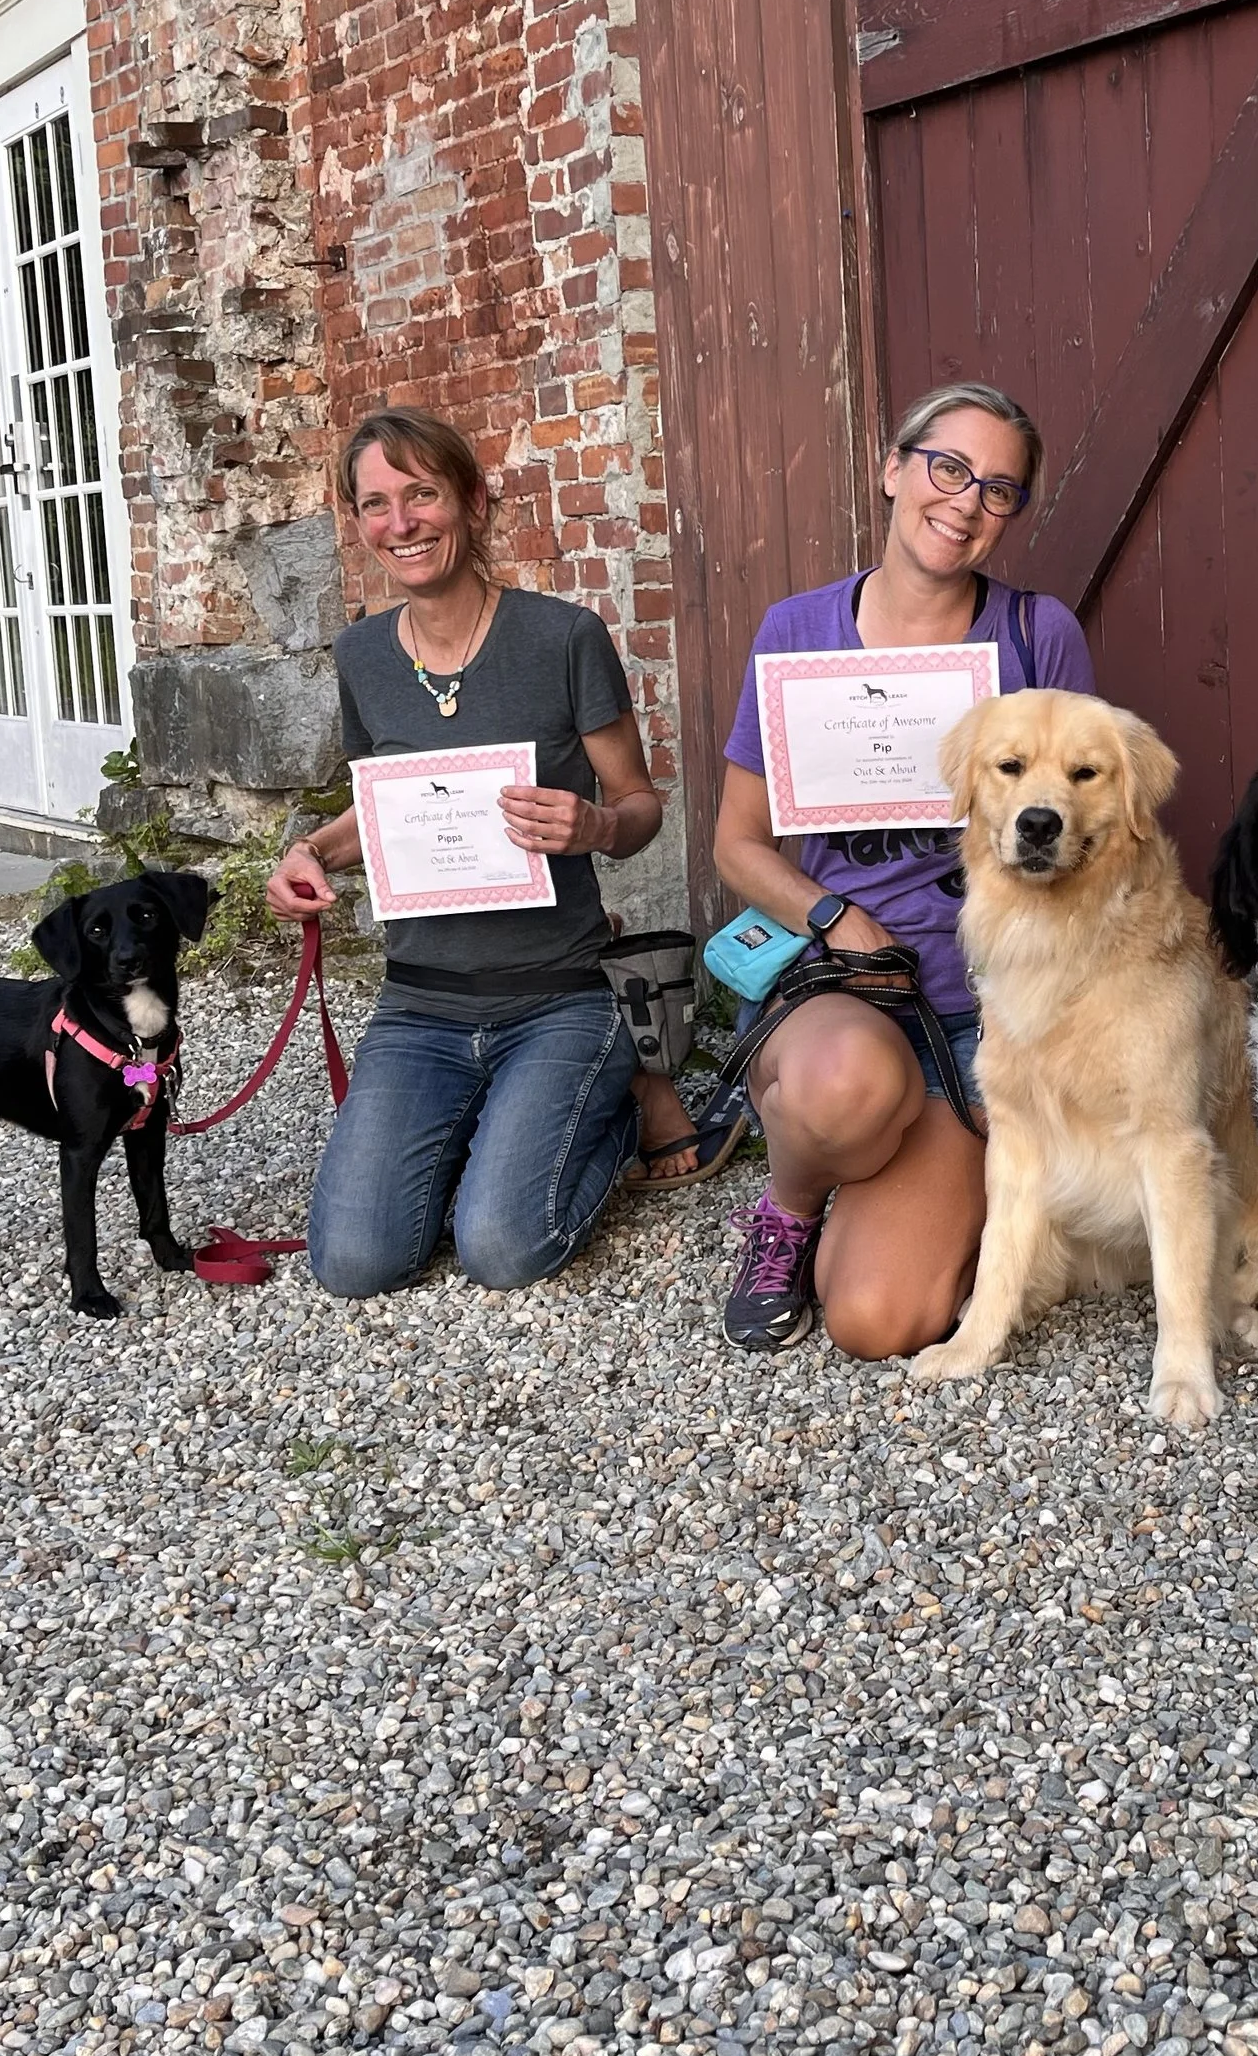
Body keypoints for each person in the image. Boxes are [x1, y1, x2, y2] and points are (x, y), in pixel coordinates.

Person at [266, 406, 706, 1293]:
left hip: (558, 997)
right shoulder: (360, 656)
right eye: (377, 504)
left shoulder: (562, 638)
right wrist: (308, 849)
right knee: (357, 1260)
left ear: (468, 500)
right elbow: (386, 811)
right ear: (357, 524)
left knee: (502, 1247)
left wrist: (595, 827)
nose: (402, 523)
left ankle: (621, 1106)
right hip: (419, 1007)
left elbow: (639, 804)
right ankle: (495, 1126)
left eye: (422, 494)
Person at [713, 383, 1094, 1358]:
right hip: (844, 991)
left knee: (878, 1321)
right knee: (843, 1085)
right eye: (947, 467)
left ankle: (911, 1186)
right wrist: (831, 911)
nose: (966, 501)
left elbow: (1089, 832)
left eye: (998, 490)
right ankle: (790, 1209)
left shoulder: (1032, 635)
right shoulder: (795, 631)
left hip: (980, 1013)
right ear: (894, 468)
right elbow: (737, 844)